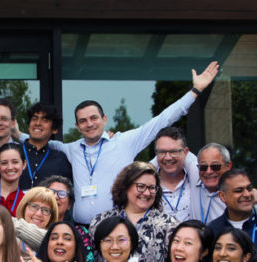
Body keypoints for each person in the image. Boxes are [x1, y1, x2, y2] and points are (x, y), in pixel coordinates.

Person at [22, 62, 219, 224]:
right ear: (77, 126)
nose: (89, 124)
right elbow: (37, 140)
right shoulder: (71, 148)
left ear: (104, 119)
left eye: (94, 118)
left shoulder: (125, 141)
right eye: (83, 121)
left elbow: (163, 120)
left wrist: (195, 91)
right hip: (82, 231)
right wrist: (14, 132)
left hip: (117, 228)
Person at [88, 162, 178, 262]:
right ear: (125, 186)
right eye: (141, 186)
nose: (147, 193)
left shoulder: (169, 224)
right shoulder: (100, 221)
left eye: (152, 188)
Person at [41, 175, 98, 262]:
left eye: (62, 194)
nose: (56, 196)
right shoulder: (32, 227)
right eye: (51, 192)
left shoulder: (80, 233)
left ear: (70, 205)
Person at [18, 103, 72, 190]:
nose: (38, 123)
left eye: (45, 120)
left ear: (54, 129)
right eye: (34, 119)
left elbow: (67, 193)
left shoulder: (60, 159)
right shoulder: (11, 152)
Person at [151, 127, 195, 222]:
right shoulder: (146, 188)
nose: (168, 158)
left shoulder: (198, 182)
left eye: (173, 152)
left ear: (185, 152)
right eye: (162, 152)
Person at [192, 143, 232, 224]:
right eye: (203, 167)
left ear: (228, 166)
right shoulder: (194, 180)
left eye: (215, 166)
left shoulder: (235, 194)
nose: (208, 172)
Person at [0, 143, 26, 217]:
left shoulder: (25, 201)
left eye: (15, 162)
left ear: (24, 164)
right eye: (4, 163)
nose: (10, 167)